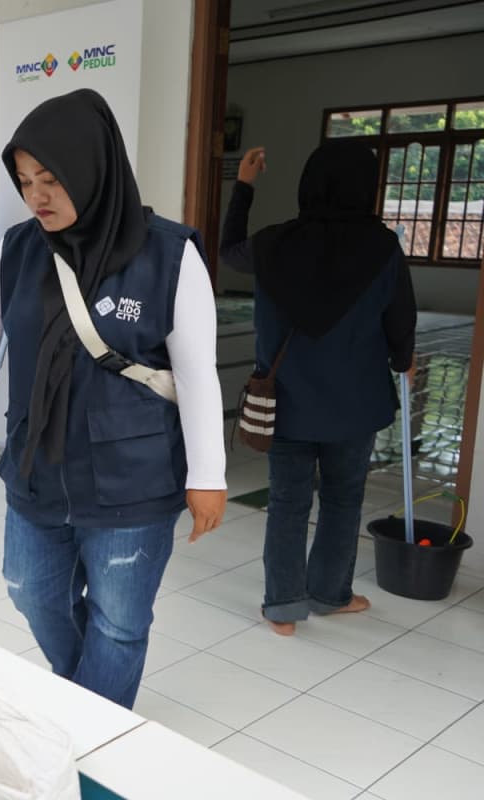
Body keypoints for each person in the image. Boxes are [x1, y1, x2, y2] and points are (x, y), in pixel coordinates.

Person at [0, 90, 227, 710]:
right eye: (25, 181)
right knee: (29, 588)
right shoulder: (20, 248)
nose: (36, 196)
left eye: (51, 179)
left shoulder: (169, 255)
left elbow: (197, 374)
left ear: (93, 168)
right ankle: (87, 696)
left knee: (121, 621)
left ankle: (91, 736)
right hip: (37, 467)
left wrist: (209, 474)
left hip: (133, 480)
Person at [221, 141, 416, 636]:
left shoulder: (272, 244)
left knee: (288, 501)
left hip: (287, 403)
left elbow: (227, 252)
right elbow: (401, 317)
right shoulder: (382, 247)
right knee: (344, 497)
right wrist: (402, 360)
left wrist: (244, 187)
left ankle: (283, 607)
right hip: (355, 404)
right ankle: (330, 594)